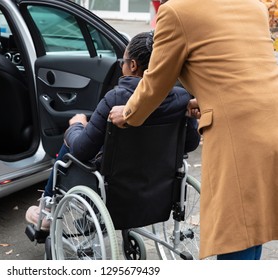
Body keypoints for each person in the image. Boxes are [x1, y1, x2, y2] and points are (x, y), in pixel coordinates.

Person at [109, 0, 278, 260]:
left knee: (235, 230)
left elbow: (155, 82)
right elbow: (241, 66)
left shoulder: (177, 11)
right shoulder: (253, 4)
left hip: (239, 133)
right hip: (270, 117)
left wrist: (128, 113)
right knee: (254, 224)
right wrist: (212, 97)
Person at [25, 31, 200, 230]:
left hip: (115, 184)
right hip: (158, 181)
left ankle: (46, 208)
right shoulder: (181, 98)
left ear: (133, 65)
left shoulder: (116, 99)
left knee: (71, 140)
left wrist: (76, 126)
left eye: (122, 62)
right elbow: (191, 143)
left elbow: (82, 150)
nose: (121, 66)